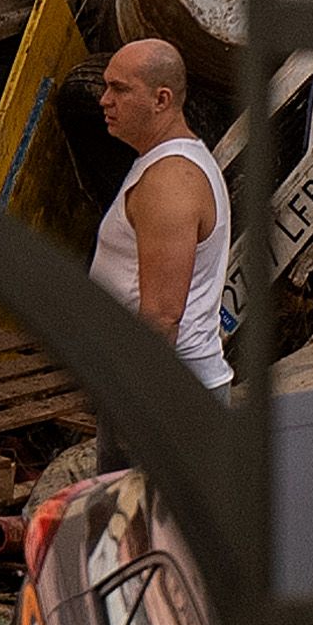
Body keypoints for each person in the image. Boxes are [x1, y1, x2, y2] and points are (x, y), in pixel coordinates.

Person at [87, 39, 231, 387]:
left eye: (119, 89)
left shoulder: (170, 182)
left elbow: (162, 316)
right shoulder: (164, 163)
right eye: (106, 86)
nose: (105, 100)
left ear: (161, 99)